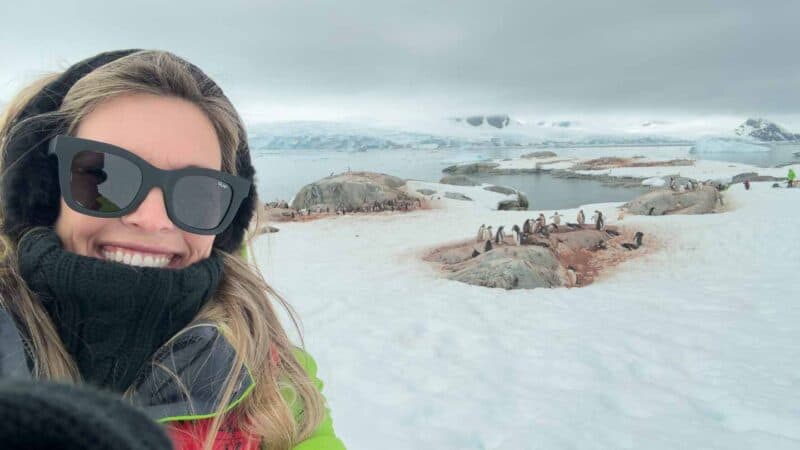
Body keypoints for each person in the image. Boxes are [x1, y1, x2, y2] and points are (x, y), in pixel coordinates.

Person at [0, 50, 344, 450]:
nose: (153, 219)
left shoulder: (273, 382)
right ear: (42, 195)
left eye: (198, 193)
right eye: (103, 176)